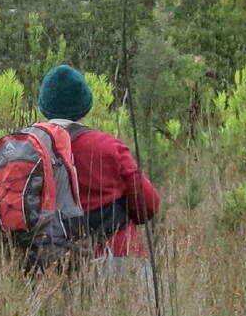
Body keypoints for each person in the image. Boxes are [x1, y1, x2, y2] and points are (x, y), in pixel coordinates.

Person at [34, 65, 160, 267]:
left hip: (53, 263)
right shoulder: (108, 146)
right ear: (85, 104)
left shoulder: (31, 149)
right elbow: (147, 205)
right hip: (117, 254)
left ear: (44, 105)